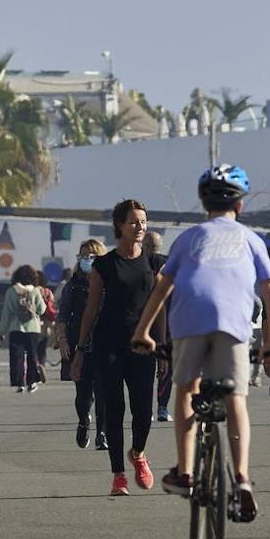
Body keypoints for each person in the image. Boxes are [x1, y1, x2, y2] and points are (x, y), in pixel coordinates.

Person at [131, 164, 270, 523]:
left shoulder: (188, 238)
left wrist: (143, 333)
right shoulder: (252, 240)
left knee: (185, 390)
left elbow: (161, 287)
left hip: (189, 321)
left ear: (204, 204)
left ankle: (185, 472)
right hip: (233, 323)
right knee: (236, 399)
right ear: (240, 207)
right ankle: (242, 479)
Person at [71, 200, 163, 497]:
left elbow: (161, 308)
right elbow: (91, 309)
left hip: (143, 345)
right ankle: (118, 475)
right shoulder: (104, 265)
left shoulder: (154, 263)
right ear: (120, 226)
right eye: (134, 222)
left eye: (143, 222)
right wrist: (80, 351)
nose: (140, 228)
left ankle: (137, 453)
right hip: (108, 344)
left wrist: (163, 348)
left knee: (142, 411)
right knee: (114, 409)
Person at [57, 239, 109, 450]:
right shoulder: (74, 284)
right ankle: (83, 422)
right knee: (84, 392)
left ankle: (102, 433)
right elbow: (62, 314)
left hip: (105, 342)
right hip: (79, 342)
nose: (88, 260)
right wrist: (62, 340)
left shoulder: (110, 281)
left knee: (104, 391)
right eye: (84, 256)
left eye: (93, 256)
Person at [0, 265, 45, 393]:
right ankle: (32, 382)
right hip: (33, 328)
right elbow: (42, 310)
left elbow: (6, 313)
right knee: (32, 355)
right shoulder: (35, 291)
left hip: (15, 328)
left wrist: (2, 331)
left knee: (16, 356)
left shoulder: (11, 291)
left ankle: (19, 383)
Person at [143, 230, 173, 422]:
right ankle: (160, 407)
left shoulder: (139, 262)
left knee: (154, 370)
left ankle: (154, 408)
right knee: (162, 369)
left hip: (150, 324)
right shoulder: (170, 264)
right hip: (162, 324)